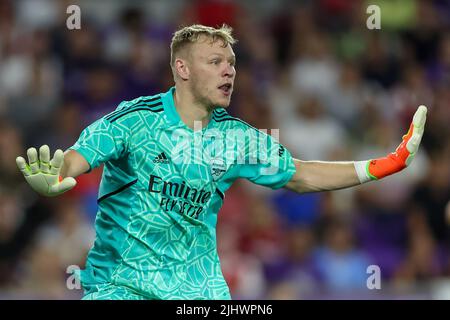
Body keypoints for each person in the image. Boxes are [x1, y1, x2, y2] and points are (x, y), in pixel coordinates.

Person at [15, 24, 427, 300]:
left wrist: (384, 164)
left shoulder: (236, 138)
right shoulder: (134, 120)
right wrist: (56, 174)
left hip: (200, 293)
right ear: (182, 69)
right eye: (215, 62)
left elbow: (301, 175)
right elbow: (79, 157)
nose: (229, 71)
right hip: (122, 286)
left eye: (231, 64)